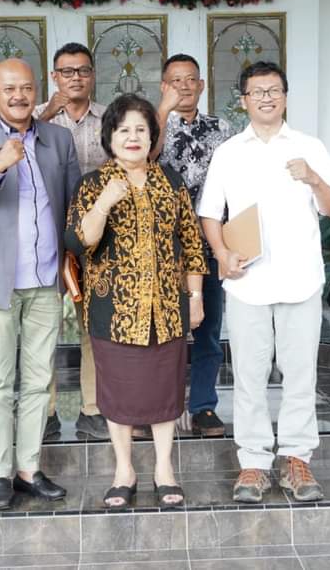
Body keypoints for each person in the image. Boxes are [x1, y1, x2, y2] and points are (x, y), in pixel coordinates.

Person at [198, 61, 330, 503]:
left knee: (300, 374)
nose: (266, 97)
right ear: (243, 100)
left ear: (285, 96)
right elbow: (210, 213)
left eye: (274, 90)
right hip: (248, 283)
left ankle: (297, 458)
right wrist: (221, 253)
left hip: (300, 280)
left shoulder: (309, 147)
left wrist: (313, 178)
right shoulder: (229, 152)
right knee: (249, 376)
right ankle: (254, 463)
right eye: (257, 91)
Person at [0, 58, 80, 510]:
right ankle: (0, 474)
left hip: (45, 279)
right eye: (9, 89)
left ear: (36, 90)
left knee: (40, 380)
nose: (19, 96)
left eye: (26, 87)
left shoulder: (58, 139)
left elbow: (74, 202)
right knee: (0, 380)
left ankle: (29, 469)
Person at [66, 94, 207, 509]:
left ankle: (164, 469)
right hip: (113, 310)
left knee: (165, 391)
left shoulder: (171, 182)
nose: (133, 137)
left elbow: (192, 244)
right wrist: (105, 202)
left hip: (166, 307)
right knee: (118, 394)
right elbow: (79, 242)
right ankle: (123, 471)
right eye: (124, 129)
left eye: (141, 130)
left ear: (152, 136)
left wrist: (195, 296)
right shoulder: (92, 184)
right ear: (109, 137)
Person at [153, 53, 233, 437]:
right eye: (176, 80)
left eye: (190, 79)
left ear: (201, 85)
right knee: (160, 330)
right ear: (163, 86)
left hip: (210, 240)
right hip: (162, 244)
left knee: (208, 328)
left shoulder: (223, 128)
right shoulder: (150, 123)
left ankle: (203, 406)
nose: (184, 86)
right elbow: (144, 157)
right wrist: (162, 112)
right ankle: (158, 405)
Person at [34, 42, 108, 441]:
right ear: (54, 77)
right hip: (45, 237)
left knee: (93, 326)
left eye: (82, 70)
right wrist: (45, 114)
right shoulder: (35, 118)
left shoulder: (110, 119)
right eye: (67, 71)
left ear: (92, 75)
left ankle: (92, 409)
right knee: (43, 327)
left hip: (96, 239)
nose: (75, 77)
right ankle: (43, 413)